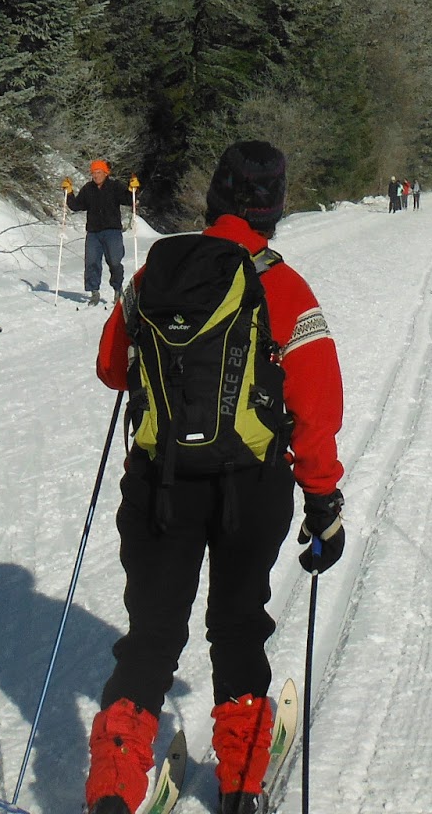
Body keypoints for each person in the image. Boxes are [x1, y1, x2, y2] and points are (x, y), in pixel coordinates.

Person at [84, 141, 347, 814]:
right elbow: (315, 412)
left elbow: (113, 368)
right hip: (249, 491)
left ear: (215, 198)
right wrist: (323, 502)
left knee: (151, 638)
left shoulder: (155, 274)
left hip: (158, 486)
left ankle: (113, 788)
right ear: (276, 209)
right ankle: (239, 784)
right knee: (237, 629)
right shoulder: (283, 286)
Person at [65, 159, 134, 305]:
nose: (96, 176)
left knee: (115, 261)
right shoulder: (88, 189)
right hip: (93, 232)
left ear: (105, 173)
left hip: (112, 231)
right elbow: (77, 206)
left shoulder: (115, 186)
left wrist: (132, 188)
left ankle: (117, 288)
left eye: (98, 172)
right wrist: (69, 193)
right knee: (91, 262)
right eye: (93, 173)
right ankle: (94, 292)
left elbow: (129, 199)